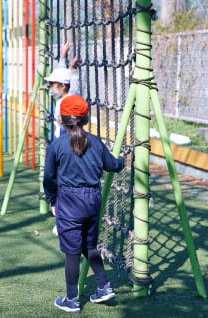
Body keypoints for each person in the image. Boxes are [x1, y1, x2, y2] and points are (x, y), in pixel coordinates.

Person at [43, 95, 125, 313]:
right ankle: (104, 286)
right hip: (92, 199)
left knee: (72, 252)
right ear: (86, 118)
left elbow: (49, 178)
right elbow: (113, 165)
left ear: (62, 119)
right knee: (88, 246)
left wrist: (52, 200)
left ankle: (72, 300)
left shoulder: (57, 145)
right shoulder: (96, 142)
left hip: (69, 201)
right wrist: (123, 159)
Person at [43, 42, 80, 138]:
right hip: (60, 133)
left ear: (63, 86)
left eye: (52, 84)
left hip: (68, 135)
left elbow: (75, 85)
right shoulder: (60, 97)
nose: (50, 87)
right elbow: (61, 71)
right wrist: (63, 54)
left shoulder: (70, 97)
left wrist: (73, 69)